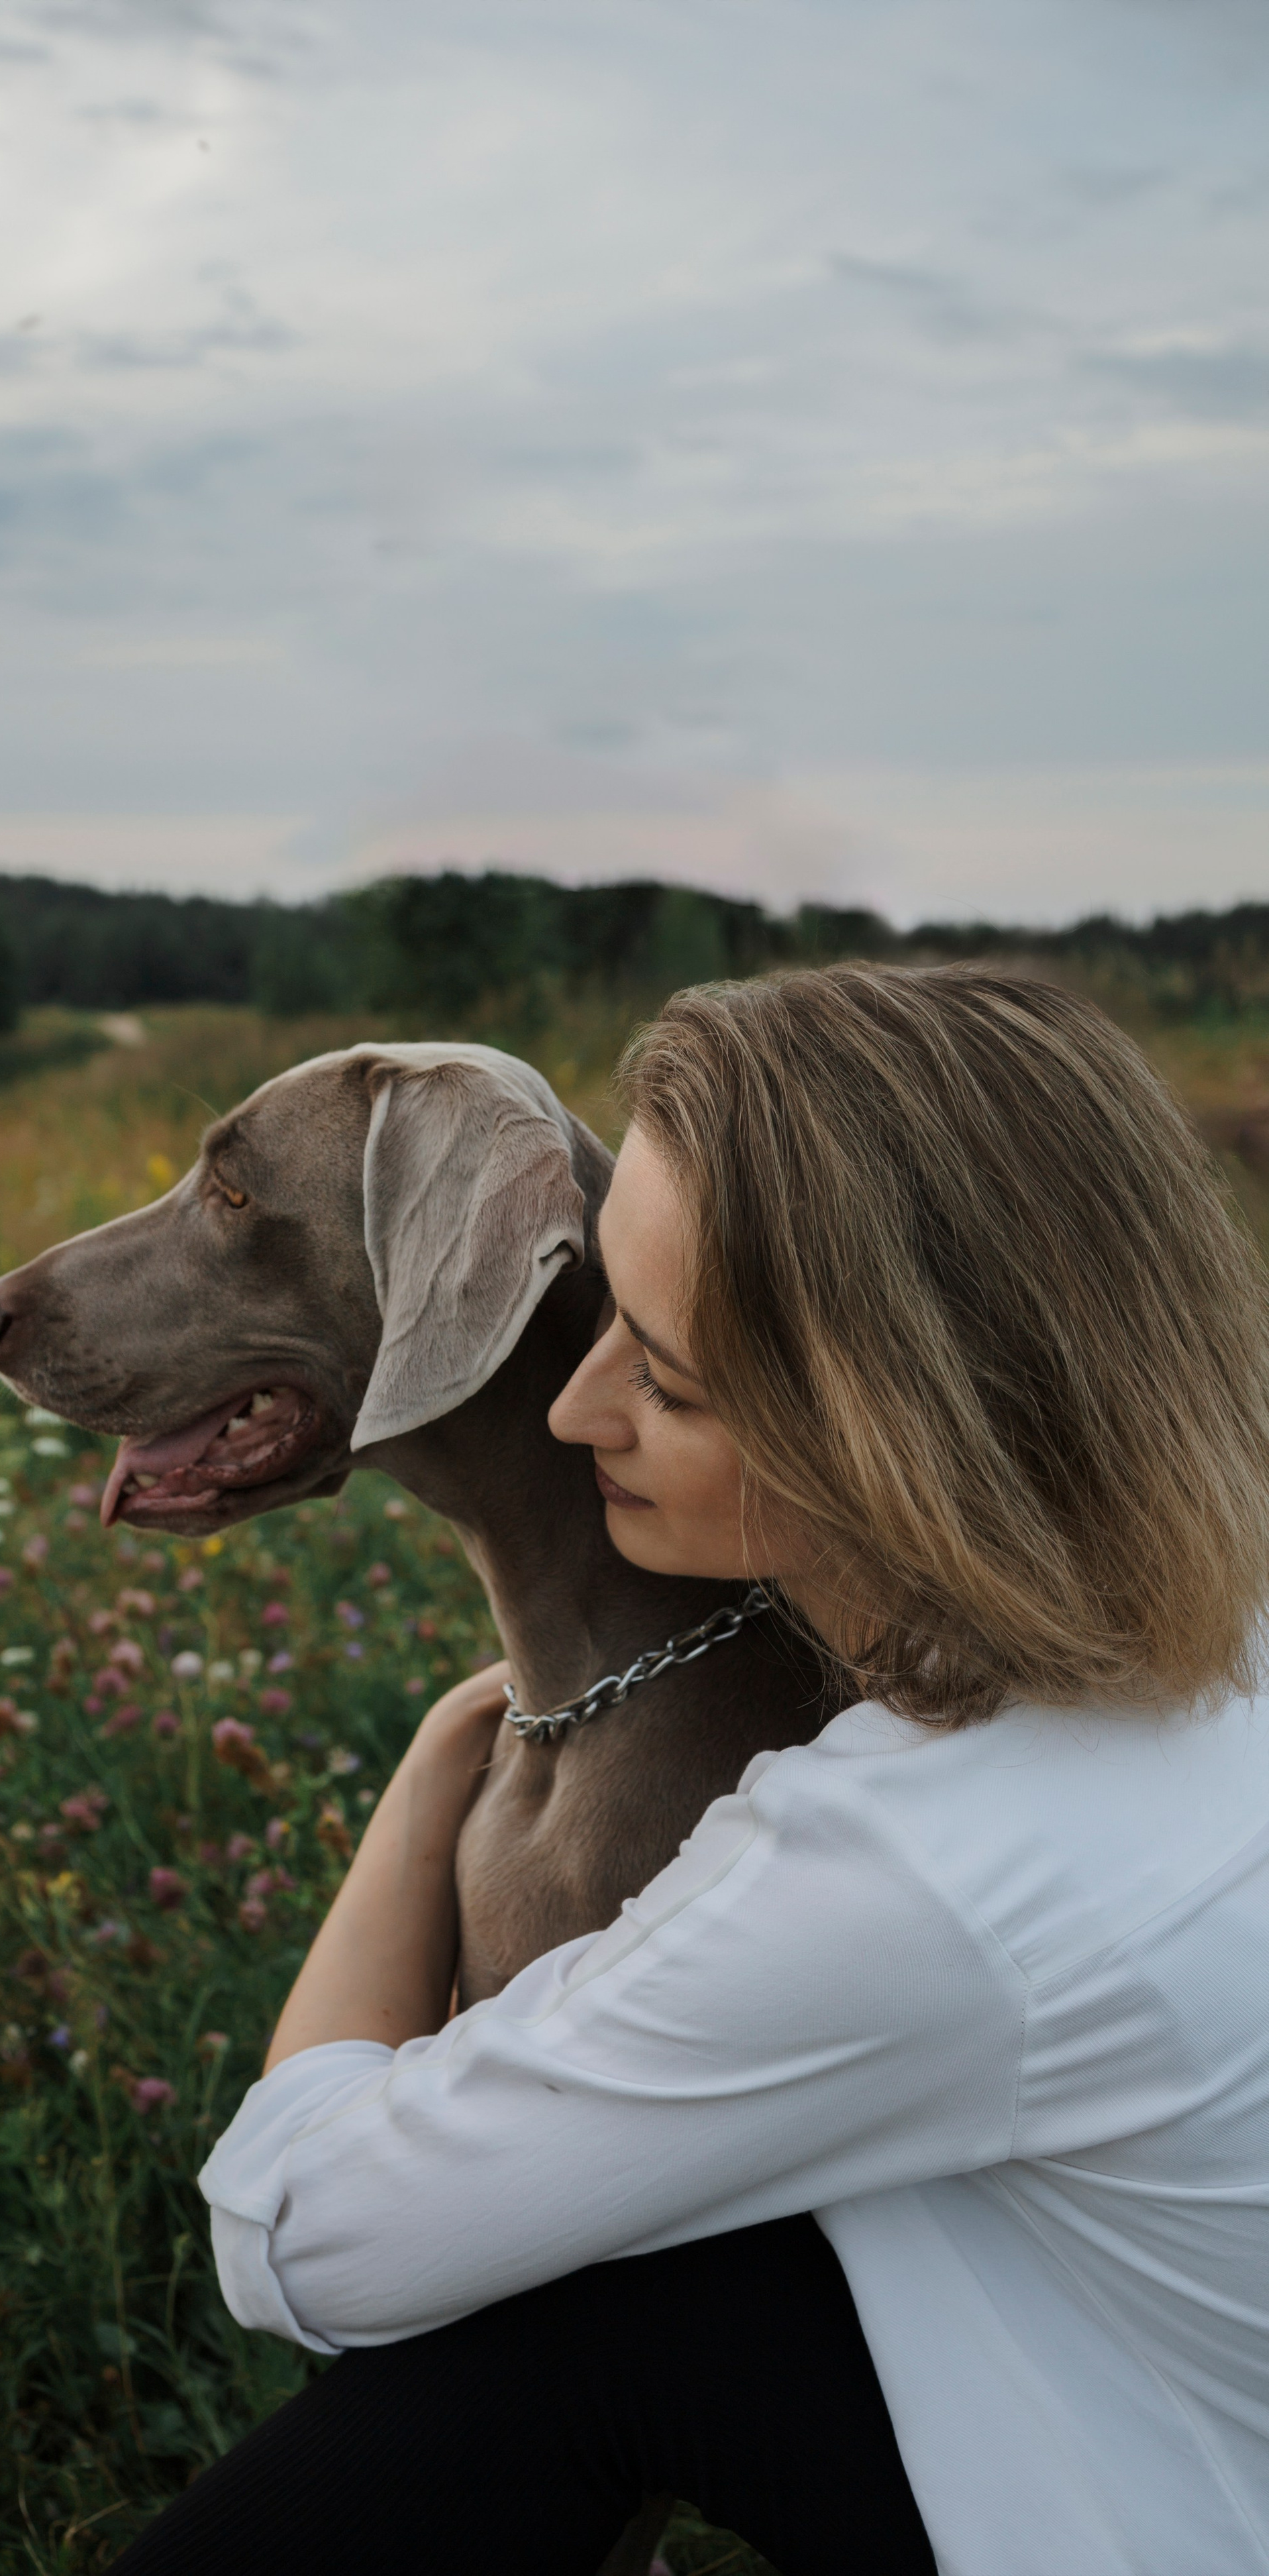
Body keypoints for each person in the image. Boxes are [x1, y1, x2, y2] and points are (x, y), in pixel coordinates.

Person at [107, 965, 1269, 2576]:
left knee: (565, 2321)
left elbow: (293, 2231)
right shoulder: (1210, 1621)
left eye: (662, 1374)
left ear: (893, 1431)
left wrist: (438, 1774)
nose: (575, 1409)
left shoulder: (916, 1871)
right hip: (1162, 2380)